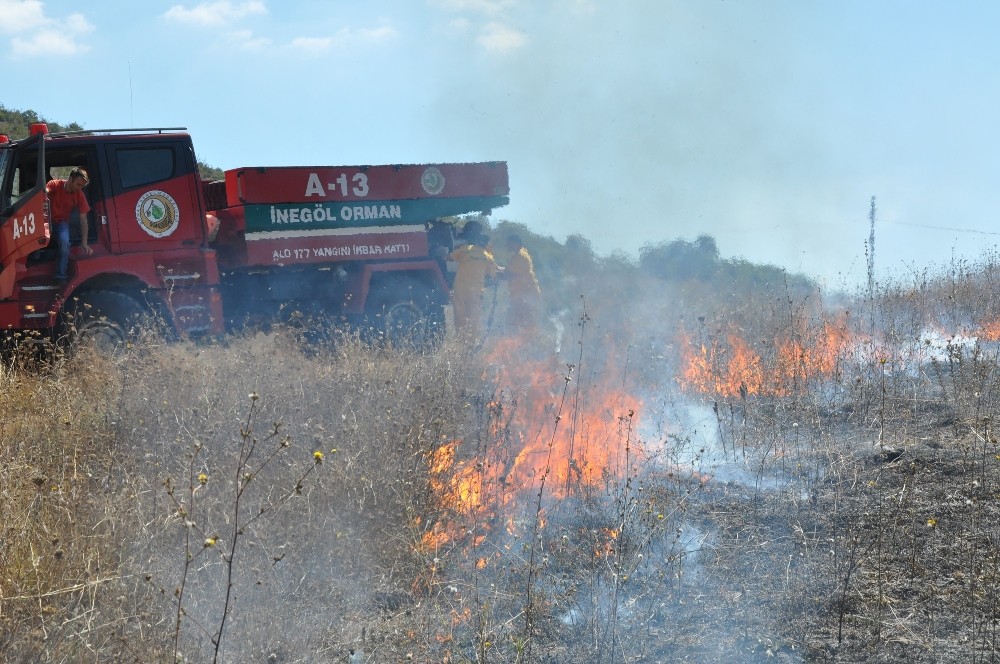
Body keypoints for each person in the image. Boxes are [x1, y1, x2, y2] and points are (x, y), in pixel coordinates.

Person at [449, 220, 500, 340]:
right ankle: (470, 345)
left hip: (460, 289)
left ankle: (460, 341)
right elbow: (495, 277)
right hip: (476, 292)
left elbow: (448, 258)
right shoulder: (487, 257)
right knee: (473, 320)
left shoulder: (464, 249)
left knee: (459, 318)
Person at [46, 167, 92, 281]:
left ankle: (60, 275)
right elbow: (43, 193)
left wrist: (84, 243)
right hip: (45, 221)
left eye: (82, 186)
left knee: (65, 242)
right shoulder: (55, 184)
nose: (80, 188)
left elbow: (83, 219)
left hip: (61, 223)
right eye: (78, 184)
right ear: (70, 179)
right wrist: (44, 192)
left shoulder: (79, 195)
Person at [501, 233, 542, 333]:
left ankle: (529, 343)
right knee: (519, 321)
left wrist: (493, 272)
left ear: (515, 243)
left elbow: (510, 274)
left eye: (509, 243)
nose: (507, 245)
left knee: (524, 322)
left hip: (525, 294)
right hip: (522, 294)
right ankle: (523, 343)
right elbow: (510, 270)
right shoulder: (520, 255)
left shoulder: (520, 257)